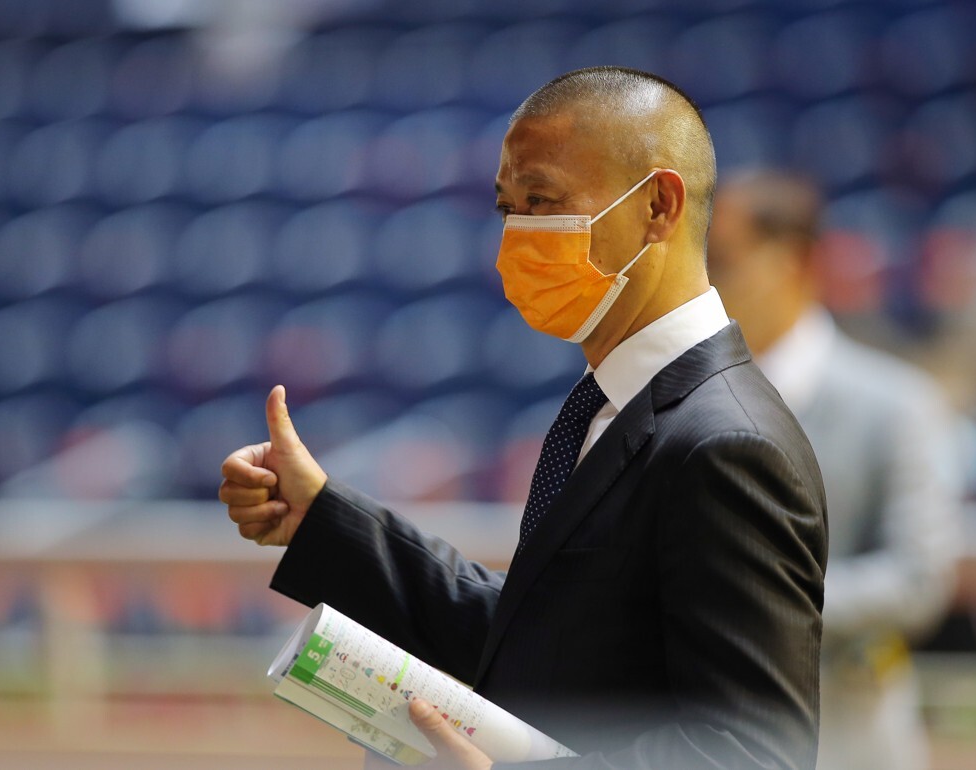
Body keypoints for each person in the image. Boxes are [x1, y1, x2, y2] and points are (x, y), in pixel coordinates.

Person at [220, 67, 828, 769]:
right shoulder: (614, 404)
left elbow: (751, 756)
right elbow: (542, 643)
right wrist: (321, 519)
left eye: (542, 199)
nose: (517, 235)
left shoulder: (728, 443)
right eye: (508, 206)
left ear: (659, 205)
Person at [708, 170, 963, 770]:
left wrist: (762, 604)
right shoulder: (675, 399)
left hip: (850, 740)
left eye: (723, 258)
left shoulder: (898, 403)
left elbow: (918, 577)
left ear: (792, 260)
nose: (706, 280)